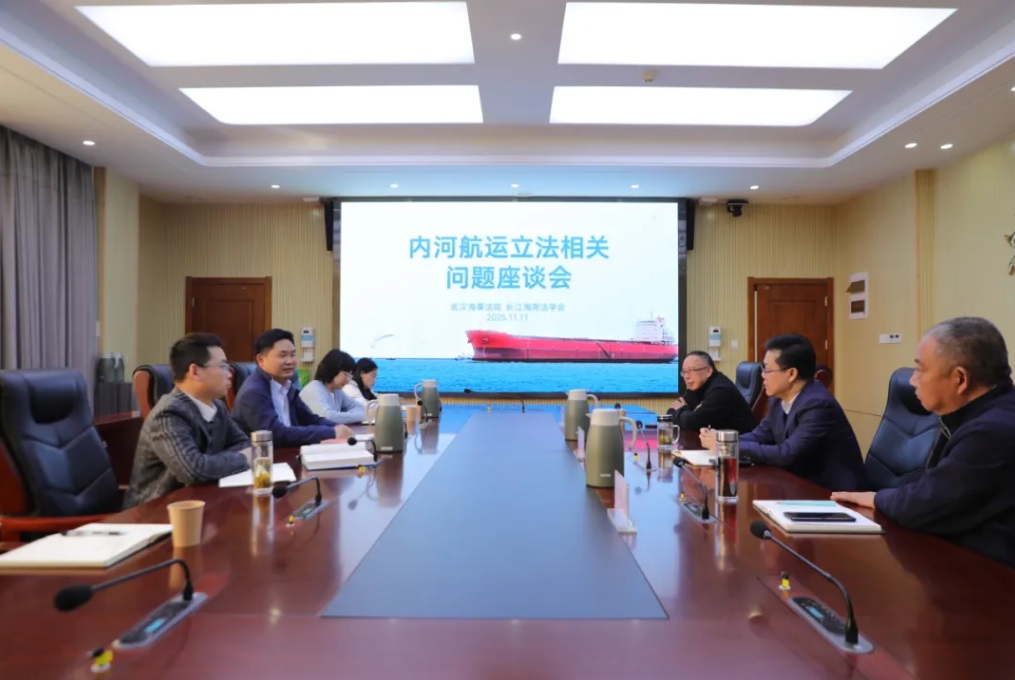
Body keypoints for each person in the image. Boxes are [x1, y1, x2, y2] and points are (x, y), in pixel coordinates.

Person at [833, 317, 1015, 568]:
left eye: (920, 370)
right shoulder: (987, 413)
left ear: (960, 379)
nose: (912, 381)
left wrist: (876, 499)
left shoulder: (991, 432)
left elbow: (924, 505)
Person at [701, 334, 867, 491]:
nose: (762, 376)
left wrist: (729, 447)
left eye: (767, 370)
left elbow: (788, 454)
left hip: (832, 494)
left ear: (791, 373)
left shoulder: (818, 405)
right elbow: (760, 435)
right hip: (798, 485)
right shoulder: (778, 399)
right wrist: (722, 439)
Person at [123, 333, 250, 508]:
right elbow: (194, 471)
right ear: (195, 371)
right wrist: (242, 459)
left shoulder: (217, 407)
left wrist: (211, 462)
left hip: (200, 501)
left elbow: (243, 443)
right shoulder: (168, 414)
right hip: (156, 511)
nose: (229, 374)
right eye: (223, 366)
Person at [232, 328, 353, 447]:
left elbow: (309, 418)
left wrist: (337, 427)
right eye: (282, 355)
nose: (290, 361)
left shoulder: (287, 386)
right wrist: (330, 432)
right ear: (261, 360)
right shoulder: (254, 392)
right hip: (262, 457)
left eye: (293, 354)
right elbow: (276, 434)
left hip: (289, 451)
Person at [667, 351, 754, 433]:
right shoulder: (696, 385)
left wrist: (682, 409)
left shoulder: (721, 389)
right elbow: (670, 413)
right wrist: (686, 412)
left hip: (738, 441)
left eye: (691, 370)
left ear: (708, 371)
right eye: (684, 372)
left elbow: (694, 422)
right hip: (712, 438)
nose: (686, 376)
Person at [300, 350, 367, 424]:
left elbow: (360, 408)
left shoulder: (337, 390)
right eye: (345, 374)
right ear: (332, 370)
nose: (348, 380)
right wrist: (359, 416)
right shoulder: (314, 389)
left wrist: (345, 416)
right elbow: (328, 417)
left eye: (350, 375)